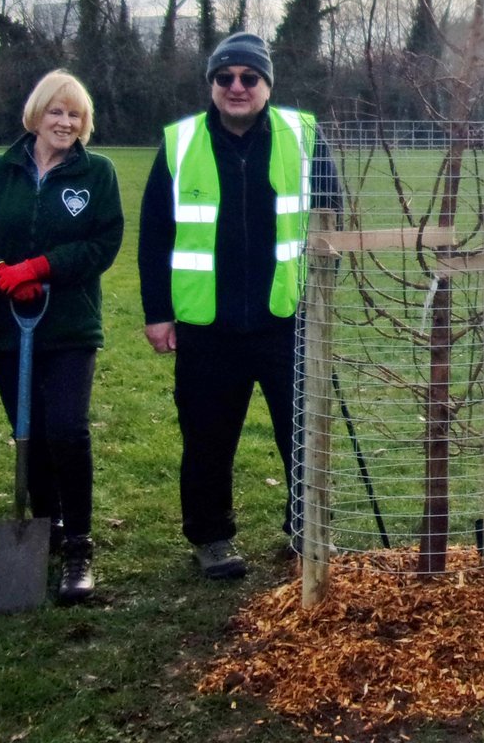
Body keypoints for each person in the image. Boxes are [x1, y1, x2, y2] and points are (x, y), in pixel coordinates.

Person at [137, 31, 339, 579]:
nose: (237, 87)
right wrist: (157, 311)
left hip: (286, 319)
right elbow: (155, 233)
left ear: (267, 85)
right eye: (224, 77)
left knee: (301, 431)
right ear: (211, 84)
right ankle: (211, 538)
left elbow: (332, 224)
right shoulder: (180, 143)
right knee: (206, 440)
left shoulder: (304, 135)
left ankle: (306, 527)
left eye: (250, 77)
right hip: (207, 324)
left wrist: (323, 300)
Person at [0, 70, 124, 604]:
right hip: (6, 326)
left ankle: (78, 546)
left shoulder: (98, 175)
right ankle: (45, 528)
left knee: (67, 429)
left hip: (69, 323)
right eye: (56, 111)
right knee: (33, 434)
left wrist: (41, 268)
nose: (65, 122)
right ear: (36, 115)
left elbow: (103, 243)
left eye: (75, 114)